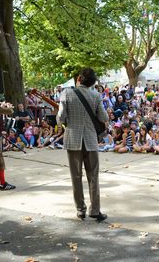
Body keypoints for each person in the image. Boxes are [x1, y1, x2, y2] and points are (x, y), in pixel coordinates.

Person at [56, 68, 108, 221]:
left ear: (79, 78)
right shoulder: (96, 95)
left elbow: (61, 117)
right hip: (91, 140)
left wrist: (66, 121)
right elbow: (103, 117)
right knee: (93, 176)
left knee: (76, 177)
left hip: (73, 139)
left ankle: (80, 209)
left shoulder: (66, 93)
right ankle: (95, 210)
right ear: (92, 82)